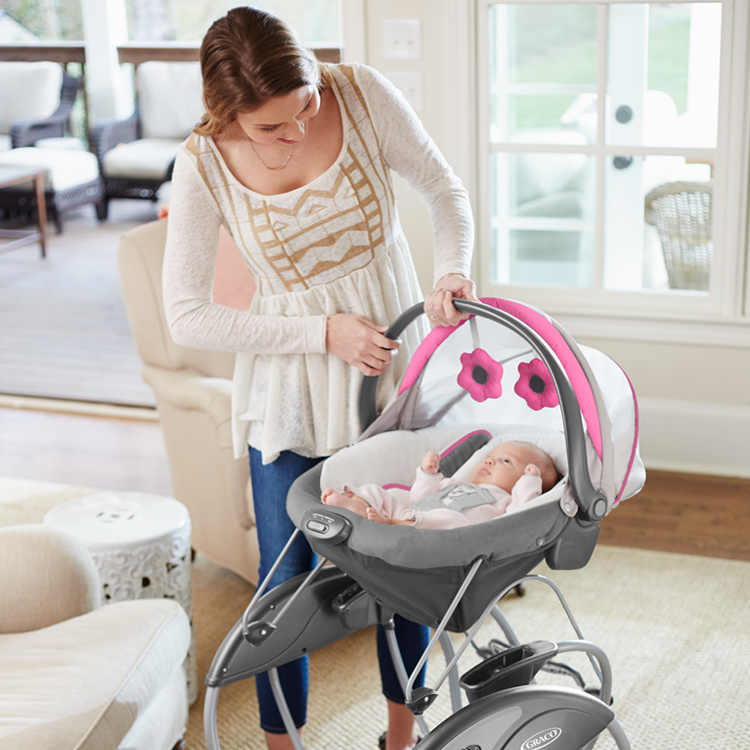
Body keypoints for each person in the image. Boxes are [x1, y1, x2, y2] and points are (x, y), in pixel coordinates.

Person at [162, 6, 476, 750]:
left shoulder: (360, 94)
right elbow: (186, 317)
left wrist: (452, 268)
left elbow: (444, 190)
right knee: (285, 587)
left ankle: (403, 737)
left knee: (408, 565)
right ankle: (284, 745)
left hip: (393, 380)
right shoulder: (202, 165)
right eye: (272, 129)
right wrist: (322, 333)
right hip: (292, 396)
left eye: (305, 106)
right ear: (228, 114)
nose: (297, 131)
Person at [322, 441, 558, 528]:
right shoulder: (457, 483)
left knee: (454, 520)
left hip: (442, 534)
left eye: (506, 461)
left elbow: (522, 514)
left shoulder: (506, 502)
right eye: (491, 456)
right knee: (377, 491)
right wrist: (428, 474)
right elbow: (419, 497)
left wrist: (530, 482)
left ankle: (391, 523)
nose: (490, 460)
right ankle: (357, 506)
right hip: (412, 515)